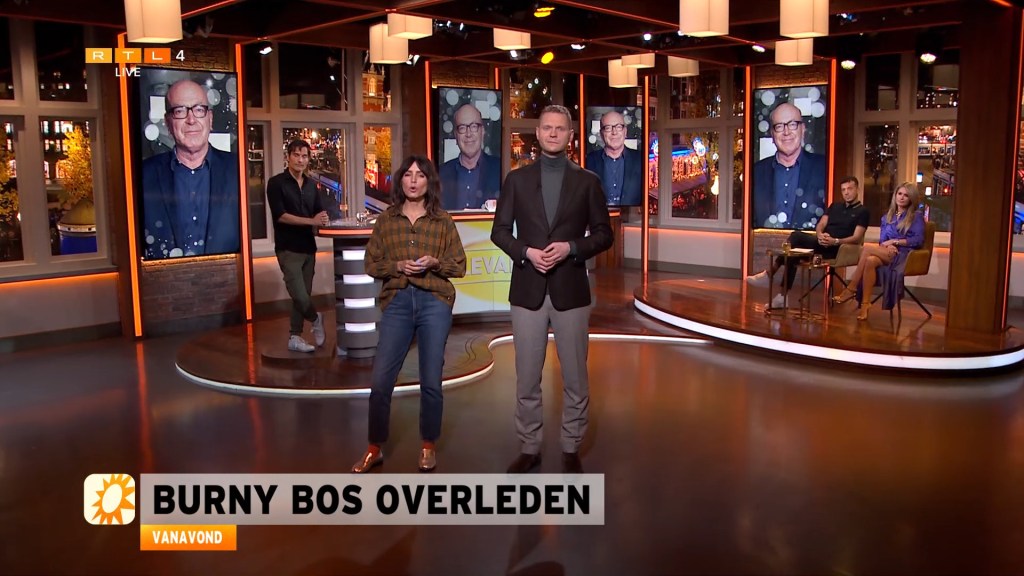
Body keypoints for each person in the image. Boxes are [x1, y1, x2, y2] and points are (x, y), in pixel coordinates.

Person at [490, 104, 614, 475]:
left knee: (575, 376)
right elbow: (499, 232)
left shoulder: (587, 181)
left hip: (570, 289)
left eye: (560, 128)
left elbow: (604, 234)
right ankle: (529, 446)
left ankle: (571, 446)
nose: (554, 133)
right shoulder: (516, 180)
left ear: (571, 135)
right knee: (527, 376)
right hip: (527, 289)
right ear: (538, 133)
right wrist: (526, 252)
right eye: (547, 127)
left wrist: (572, 248)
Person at [352, 155, 467, 474]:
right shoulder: (386, 220)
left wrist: (435, 263)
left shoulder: (442, 221)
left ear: (429, 182)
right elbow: (371, 264)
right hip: (398, 301)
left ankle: (428, 445)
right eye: (408, 175)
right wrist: (397, 266)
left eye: (420, 175)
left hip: (434, 301)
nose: (414, 180)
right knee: (381, 380)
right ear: (400, 180)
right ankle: (374, 447)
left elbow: (459, 265)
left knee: (431, 378)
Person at [142, 79, 240, 259]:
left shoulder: (237, 169)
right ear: (168, 122)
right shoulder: (143, 176)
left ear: (210, 118)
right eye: (180, 111)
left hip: (226, 274)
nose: (191, 120)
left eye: (199, 110)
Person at [746, 176, 870, 307]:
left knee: (795, 240)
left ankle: (770, 275)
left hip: (838, 249)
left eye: (850, 189)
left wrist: (835, 241)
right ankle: (782, 297)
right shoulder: (835, 206)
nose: (846, 192)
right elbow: (821, 224)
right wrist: (820, 234)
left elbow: (857, 238)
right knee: (794, 250)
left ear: (857, 189)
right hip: (821, 243)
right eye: (843, 190)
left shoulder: (863, 212)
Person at [266, 139, 330, 353]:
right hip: (288, 248)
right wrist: (312, 221)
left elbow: (318, 213)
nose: (300, 160)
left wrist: (323, 220)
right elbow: (281, 216)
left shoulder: (311, 185)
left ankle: (295, 336)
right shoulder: (276, 183)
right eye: (296, 155)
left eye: (304, 156)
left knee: (301, 296)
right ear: (288, 157)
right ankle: (316, 318)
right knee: (300, 295)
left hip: (309, 248)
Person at [832, 183, 925, 321]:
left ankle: (851, 288)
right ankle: (865, 305)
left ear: (911, 198)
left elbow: (918, 240)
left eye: (906, 195)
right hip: (888, 252)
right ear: (895, 195)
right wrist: (887, 246)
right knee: (870, 260)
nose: (902, 197)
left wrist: (895, 242)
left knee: (867, 248)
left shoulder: (916, 216)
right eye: (899, 194)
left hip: (905, 255)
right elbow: (882, 241)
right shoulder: (887, 217)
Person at [752, 102, 827, 229]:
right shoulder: (755, 172)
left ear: (802, 129)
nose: (786, 132)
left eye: (792, 124)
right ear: (772, 133)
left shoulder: (823, 168)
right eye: (779, 126)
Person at [439, 103, 502, 210]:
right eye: (462, 128)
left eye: (474, 127)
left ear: (482, 131)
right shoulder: (440, 174)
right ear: (455, 135)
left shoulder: (499, 169)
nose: (468, 134)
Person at [584, 110, 644, 206]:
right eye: (608, 128)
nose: (614, 132)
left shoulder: (641, 160)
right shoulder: (588, 162)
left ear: (625, 131)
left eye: (619, 127)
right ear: (601, 133)